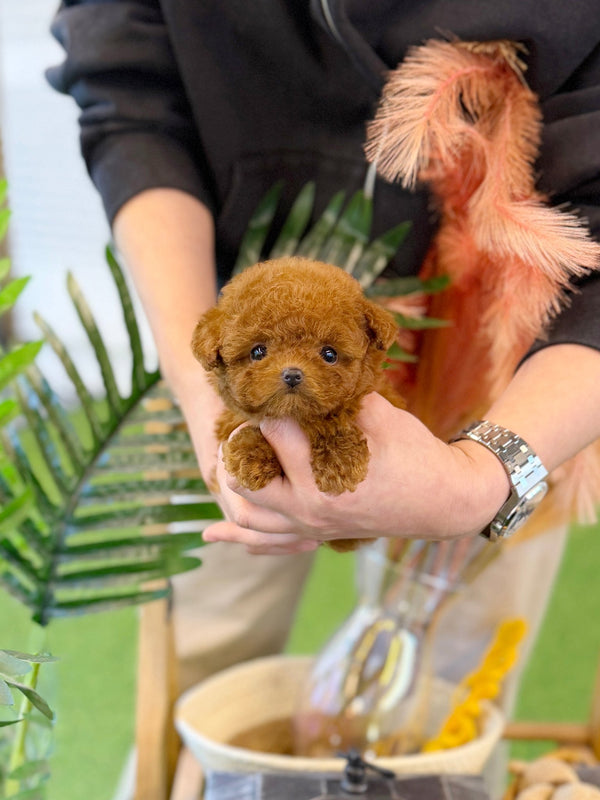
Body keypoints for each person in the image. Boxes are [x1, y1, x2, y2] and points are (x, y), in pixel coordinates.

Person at [47, 0, 600, 774]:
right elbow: (131, 92)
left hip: (512, 324)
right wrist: (209, 391)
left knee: (452, 686)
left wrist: (488, 476)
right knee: (211, 657)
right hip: (232, 279)